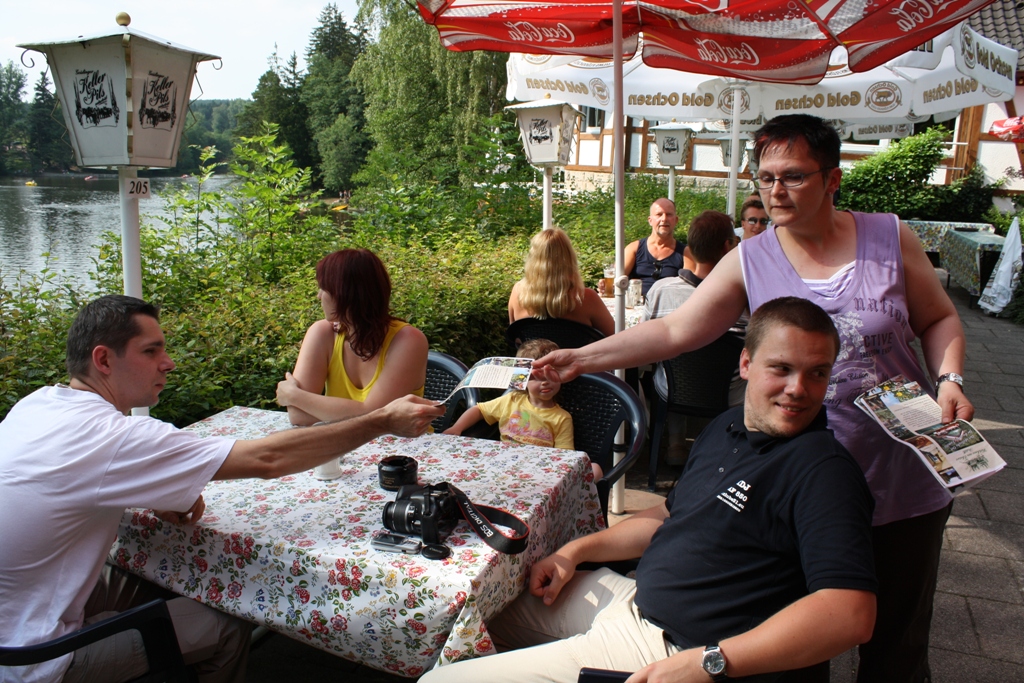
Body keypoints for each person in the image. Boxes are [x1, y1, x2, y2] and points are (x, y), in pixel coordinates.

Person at [534, 113, 972, 683]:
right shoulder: (751, 257)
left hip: (896, 472)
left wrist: (950, 378)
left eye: (793, 176)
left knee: (896, 645)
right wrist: (582, 359)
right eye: (765, 178)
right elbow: (677, 329)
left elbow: (939, 318)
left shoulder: (889, 237)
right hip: (794, 481)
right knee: (798, 631)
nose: (775, 191)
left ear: (832, 179)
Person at [421, 297, 877, 683]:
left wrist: (710, 662)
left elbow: (851, 614)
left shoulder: (823, 471)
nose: (798, 389)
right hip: (633, 599)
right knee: (475, 612)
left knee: (439, 681)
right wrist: (574, 552)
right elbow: (668, 515)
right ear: (745, 363)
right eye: (782, 368)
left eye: (817, 373)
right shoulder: (728, 427)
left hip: (679, 646)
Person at [0, 295, 443, 683]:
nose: (168, 362)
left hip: (19, 608)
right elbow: (267, 459)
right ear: (103, 360)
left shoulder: (38, 405)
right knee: (231, 616)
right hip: (33, 657)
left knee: (175, 573)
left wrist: (156, 494)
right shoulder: (112, 437)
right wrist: (381, 420)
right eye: (151, 351)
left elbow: (64, 483)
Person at [275, 248, 428, 426]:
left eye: (324, 289)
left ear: (345, 294)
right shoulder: (322, 333)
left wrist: (295, 396)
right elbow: (298, 416)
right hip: (341, 441)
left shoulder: (408, 340)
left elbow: (377, 418)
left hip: (402, 443)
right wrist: (359, 412)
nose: (319, 296)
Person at [642, 209, 746, 417]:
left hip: (672, 390)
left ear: (690, 249)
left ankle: (672, 435)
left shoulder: (661, 291)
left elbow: (646, 343)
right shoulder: (746, 299)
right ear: (727, 247)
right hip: (730, 397)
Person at [508, 228, 615, 338]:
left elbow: (515, 337)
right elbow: (613, 337)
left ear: (532, 258)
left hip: (532, 350)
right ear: (570, 258)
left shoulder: (517, 292)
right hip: (577, 350)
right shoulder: (586, 297)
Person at [622, 198, 695, 297]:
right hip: (636, 303)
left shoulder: (686, 253)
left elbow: (689, 289)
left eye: (669, 214)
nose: (664, 219)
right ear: (650, 220)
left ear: (676, 220)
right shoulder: (634, 248)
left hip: (669, 304)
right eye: (659, 214)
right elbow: (616, 280)